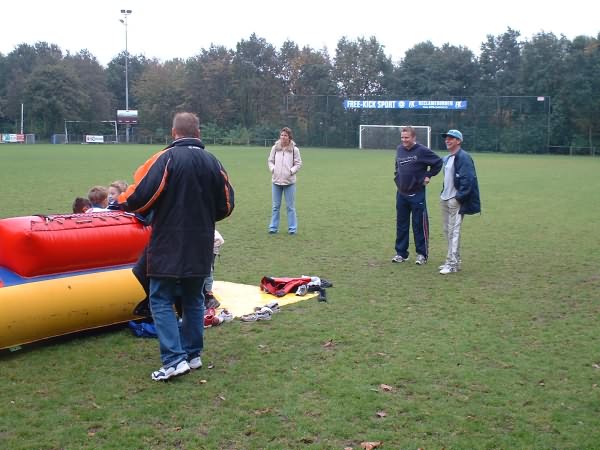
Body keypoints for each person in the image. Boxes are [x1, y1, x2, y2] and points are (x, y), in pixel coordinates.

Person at [119, 112, 234, 381]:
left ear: (174, 133)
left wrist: (121, 204)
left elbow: (141, 196)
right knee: (194, 298)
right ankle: (193, 354)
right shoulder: (213, 162)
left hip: (168, 242)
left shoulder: (167, 158)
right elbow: (227, 204)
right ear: (199, 133)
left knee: (160, 298)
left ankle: (173, 359)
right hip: (201, 241)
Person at [392, 126, 443, 265]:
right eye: (402, 137)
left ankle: (422, 254)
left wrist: (428, 175)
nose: (404, 140)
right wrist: (397, 178)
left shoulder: (422, 151)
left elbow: (438, 162)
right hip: (401, 193)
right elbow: (397, 165)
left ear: (413, 137)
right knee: (401, 224)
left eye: (407, 137)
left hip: (417, 193)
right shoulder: (399, 149)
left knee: (419, 224)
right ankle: (401, 253)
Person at [438, 129, 481, 275]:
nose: (447, 140)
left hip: (455, 200)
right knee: (447, 231)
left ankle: (453, 264)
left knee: (454, 231)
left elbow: (469, 180)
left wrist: (458, 198)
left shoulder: (464, 157)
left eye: (451, 138)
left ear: (459, 141)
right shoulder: (448, 157)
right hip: (445, 199)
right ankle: (451, 259)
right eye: (446, 138)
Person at [267, 127, 302, 234]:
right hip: (276, 181)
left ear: (289, 137)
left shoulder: (294, 150)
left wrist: (291, 171)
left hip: (289, 182)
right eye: (282, 135)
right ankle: (273, 228)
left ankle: (292, 229)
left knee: (290, 207)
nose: (283, 137)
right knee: (275, 207)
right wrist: (273, 169)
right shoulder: (275, 148)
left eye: (285, 135)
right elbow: (270, 161)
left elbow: (298, 163)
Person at [203, 229, 225, 309]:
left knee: (207, 269)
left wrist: (208, 291)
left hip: (212, 241)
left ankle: (209, 297)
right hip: (206, 240)